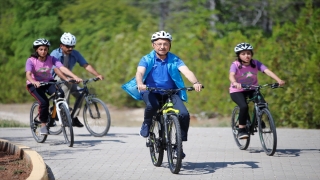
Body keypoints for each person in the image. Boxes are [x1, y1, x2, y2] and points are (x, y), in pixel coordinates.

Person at [122, 30, 203, 158]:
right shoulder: (147, 59)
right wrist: (140, 83)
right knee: (152, 106)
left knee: (184, 114)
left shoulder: (175, 59)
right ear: (153, 45)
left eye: (165, 44)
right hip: (150, 91)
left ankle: (178, 146)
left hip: (171, 92)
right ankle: (147, 123)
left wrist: (196, 82)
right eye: (159, 44)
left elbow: (186, 71)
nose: (162, 47)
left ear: (170, 45)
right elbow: (140, 73)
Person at [26, 38, 82, 135]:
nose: (43, 52)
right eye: (41, 49)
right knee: (44, 102)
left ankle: (54, 116)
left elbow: (62, 68)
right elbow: (28, 74)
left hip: (48, 82)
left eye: (45, 49)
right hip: (34, 84)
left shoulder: (51, 58)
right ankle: (43, 125)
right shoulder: (31, 60)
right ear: (36, 50)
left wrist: (74, 77)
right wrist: (33, 81)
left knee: (60, 94)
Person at [229, 42, 285, 139]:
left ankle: (258, 120)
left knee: (262, 104)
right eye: (243, 54)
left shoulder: (255, 63)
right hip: (237, 90)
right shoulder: (235, 64)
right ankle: (242, 130)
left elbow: (267, 71)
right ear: (238, 55)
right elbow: (231, 75)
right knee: (244, 106)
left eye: (248, 53)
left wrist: (278, 80)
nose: (247, 56)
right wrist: (235, 82)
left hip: (252, 89)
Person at [50, 32, 104, 127]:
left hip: (69, 78)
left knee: (81, 93)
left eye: (72, 46)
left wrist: (97, 74)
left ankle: (73, 117)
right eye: (68, 46)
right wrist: (73, 77)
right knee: (68, 84)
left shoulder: (75, 54)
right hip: (55, 78)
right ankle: (64, 112)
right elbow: (59, 69)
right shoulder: (55, 53)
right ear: (61, 45)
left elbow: (85, 65)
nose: (70, 48)